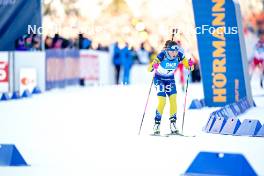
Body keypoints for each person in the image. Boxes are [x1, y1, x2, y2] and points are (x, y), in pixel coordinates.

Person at [148, 40, 194, 135]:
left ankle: (173, 125)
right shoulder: (162, 55)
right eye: (172, 51)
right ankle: (156, 124)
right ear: (167, 50)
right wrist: (154, 65)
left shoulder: (180, 55)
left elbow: (189, 67)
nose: (174, 53)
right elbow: (149, 69)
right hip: (159, 79)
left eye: (176, 51)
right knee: (162, 101)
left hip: (170, 79)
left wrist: (190, 65)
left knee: (173, 100)